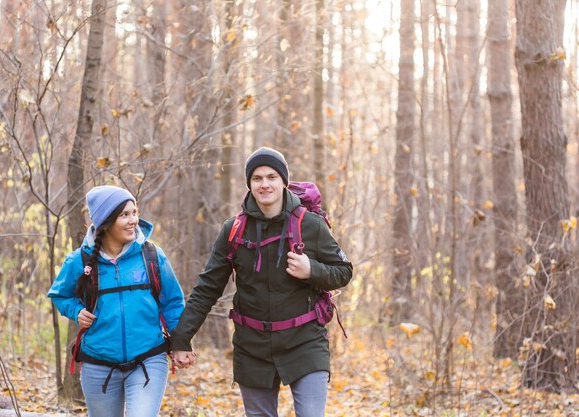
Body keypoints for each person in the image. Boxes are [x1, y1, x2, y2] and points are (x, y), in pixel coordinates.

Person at [171, 147, 353, 417]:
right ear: (249, 184)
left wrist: (311, 269)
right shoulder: (233, 230)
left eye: (271, 177)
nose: (264, 184)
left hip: (304, 341)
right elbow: (207, 289)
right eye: (257, 178)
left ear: (283, 181)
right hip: (252, 345)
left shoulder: (311, 225)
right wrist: (181, 339)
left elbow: (343, 271)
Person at [48, 185, 185, 417]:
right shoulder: (79, 261)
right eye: (124, 215)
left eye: (134, 212)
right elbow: (60, 295)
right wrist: (76, 311)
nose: (133, 220)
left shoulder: (151, 255)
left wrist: (182, 343)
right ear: (106, 221)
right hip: (97, 364)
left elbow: (173, 302)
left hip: (148, 359)